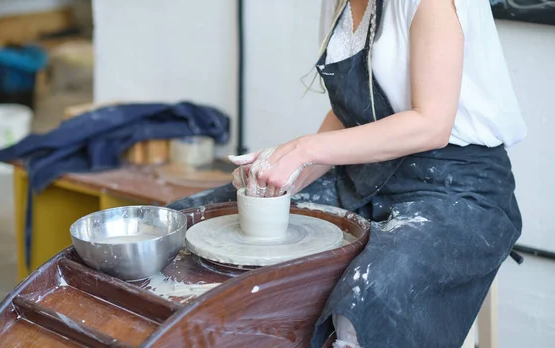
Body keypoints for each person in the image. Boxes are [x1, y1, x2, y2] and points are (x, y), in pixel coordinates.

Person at [168, 0, 526, 347]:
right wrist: (290, 171)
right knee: (190, 218)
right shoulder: (338, 3)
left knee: (372, 293)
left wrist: (306, 149)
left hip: (456, 186)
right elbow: (353, 112)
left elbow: (432, 124)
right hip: (363, 172)